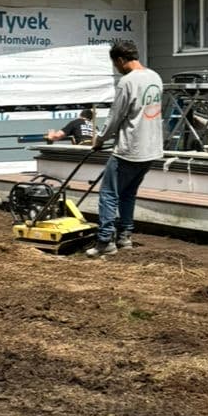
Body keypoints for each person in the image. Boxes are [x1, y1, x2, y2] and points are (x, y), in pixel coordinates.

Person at [83, 42, 163, 257]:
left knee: (109, 194)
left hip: (129, 149)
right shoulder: (155, 77)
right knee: (128, 193)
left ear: (120, 60)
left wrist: (100, 139)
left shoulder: (127, 82)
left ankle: (105, 241)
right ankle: (125, 236)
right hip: (151, 149)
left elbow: (115, 116)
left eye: (115, 64)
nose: (116, 69)